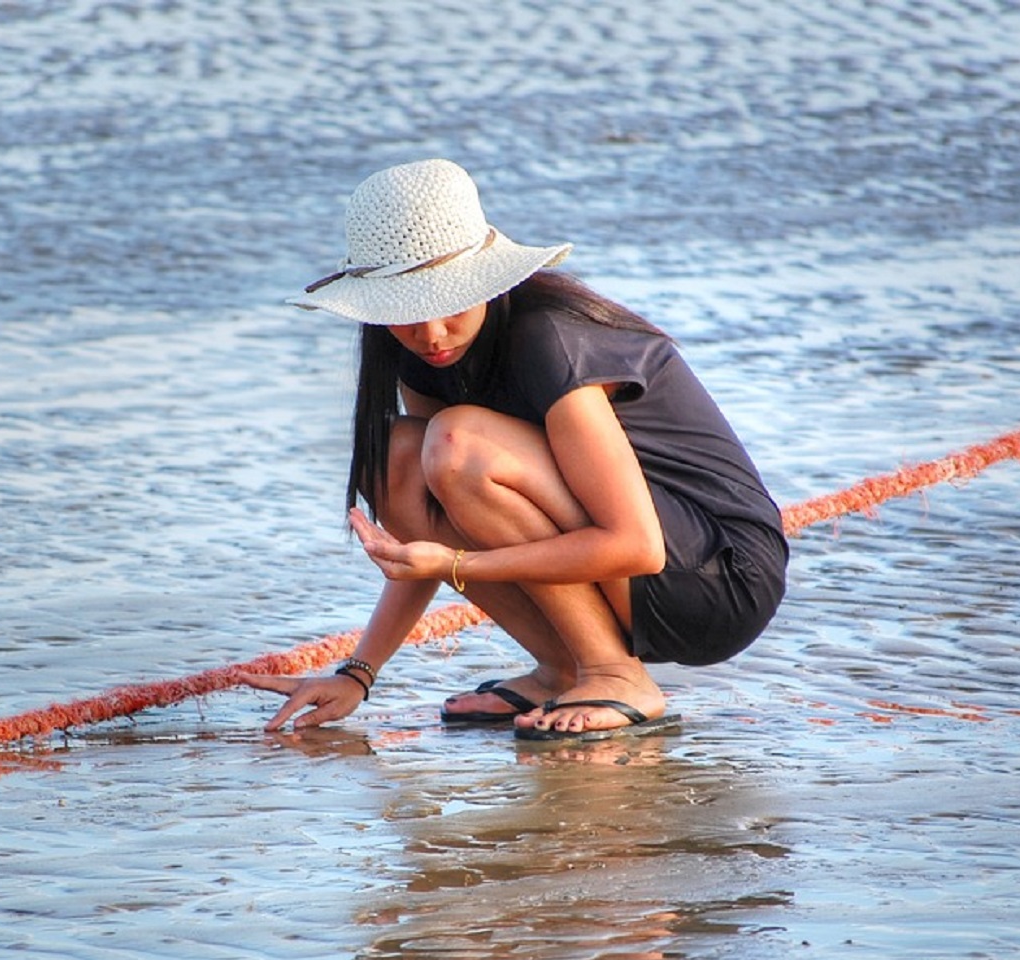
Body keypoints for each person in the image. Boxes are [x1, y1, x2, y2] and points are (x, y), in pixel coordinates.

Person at [243, 159, 787, 741]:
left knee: (456, 443)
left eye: (450, 304)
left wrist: (458, 566)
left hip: (716, 580)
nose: (431, 335)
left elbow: (636, 545)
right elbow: (426, 527)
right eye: (405, 313)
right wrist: (359, 672)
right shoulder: (416, 356)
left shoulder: (548, 338)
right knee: (397, 459)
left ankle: (614, 673)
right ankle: (564, 667)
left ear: (484, 281)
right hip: (631, 577)